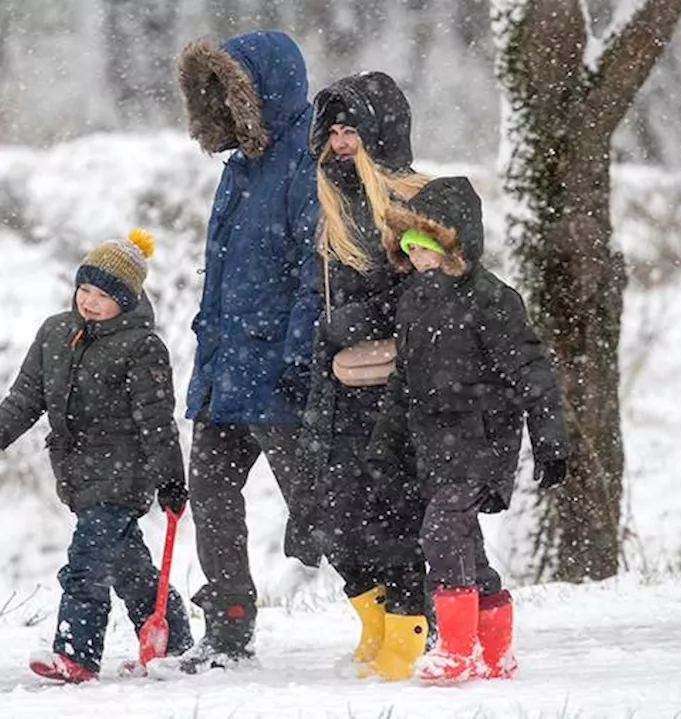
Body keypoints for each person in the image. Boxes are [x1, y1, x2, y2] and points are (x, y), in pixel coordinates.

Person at [0, 229, 193, 684]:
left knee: (87, 563)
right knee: (129, 569)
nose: (88, 301)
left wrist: (170, 478)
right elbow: (26, 397)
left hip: (124, 473)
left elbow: (156, 421)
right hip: (76, 473)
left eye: (104, 296)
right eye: (84, 288)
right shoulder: (55, 332)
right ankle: (174, 642)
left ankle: (77, 656)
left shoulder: (142, 347)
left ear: (126, 302)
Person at [370, 177, 570, 683]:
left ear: (454, 243)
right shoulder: (414, 301)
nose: (417, 260)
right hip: (433, 445)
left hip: (484, 439)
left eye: (426, 248)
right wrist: (383, 446)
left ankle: (457, 649)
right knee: (464, 545)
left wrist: (549, 442)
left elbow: (533, 371)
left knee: (440, 530)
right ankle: (496, 651)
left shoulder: (492, 300)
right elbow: (403, 380)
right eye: (409, 250)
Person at [165, 29, 322, 674]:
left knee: (318, 507)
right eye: (217, 101)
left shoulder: (306, 165)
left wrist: (297, 360)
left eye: (233, 96)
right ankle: (228, 626)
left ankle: (399, 606)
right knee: (212, 496)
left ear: (263, 95)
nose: (224, 112)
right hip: (225, 373)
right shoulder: (236, 171)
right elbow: (224, 274)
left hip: (278, 376)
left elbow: (316, 271)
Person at [302, 71, 431, 681]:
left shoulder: (415, 202)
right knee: (335, 519)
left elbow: (429, 287)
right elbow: (304, 291)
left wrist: (354, 320)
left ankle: (411, 624)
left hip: (394, 384)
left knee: (391, 512)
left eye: (352, 129)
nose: (340, 141)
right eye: (333, 130)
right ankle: (375, 619)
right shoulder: (321, 200)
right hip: (333, 386)